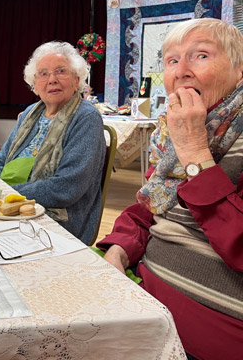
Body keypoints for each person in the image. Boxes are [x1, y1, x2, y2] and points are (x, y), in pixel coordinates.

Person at [97, 18, 243, 359]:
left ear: (239, 69)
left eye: (201, 56)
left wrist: (196, 154)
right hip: (142, 304)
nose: (182, 71)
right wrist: (118, 249)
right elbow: (147, 208)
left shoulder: (192, 137)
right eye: (172, 60)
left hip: (207, 334)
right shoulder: (173, 134)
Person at [0, 41, 105, 245]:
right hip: (9, 203)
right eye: (43, 74)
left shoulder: (86, 118)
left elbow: (66, 188)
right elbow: (0, 158)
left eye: (61, 71)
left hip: (58, 219)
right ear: (34, 85)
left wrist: (6, 194)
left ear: (77, 81)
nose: (52, 80)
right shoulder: (30, 113)